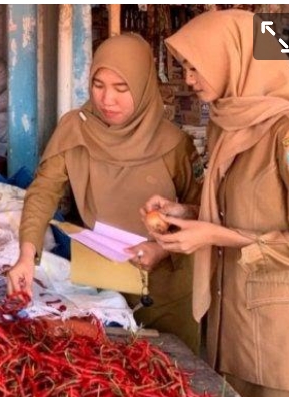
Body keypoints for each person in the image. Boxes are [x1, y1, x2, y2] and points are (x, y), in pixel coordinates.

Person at [6, 33, 204, 351]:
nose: (106, 99)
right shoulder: (75, 129)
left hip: (170, 291)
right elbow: (43, 192)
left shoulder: (174, 143)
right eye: (99, 85)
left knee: (173, 373)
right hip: (104, 290)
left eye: (121, 88)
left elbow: (203, 210)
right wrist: (27, 256)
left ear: (141, 85)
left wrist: (163, 249)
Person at [144, 10, 289, 397]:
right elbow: (236, 208)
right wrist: (186, 214)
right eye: (185, 68)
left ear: (235, 58)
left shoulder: (284, 133)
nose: (189, 79)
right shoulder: (229, 124)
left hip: (278, 343)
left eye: (196, 67)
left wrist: (212, 235)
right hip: (231, 329)